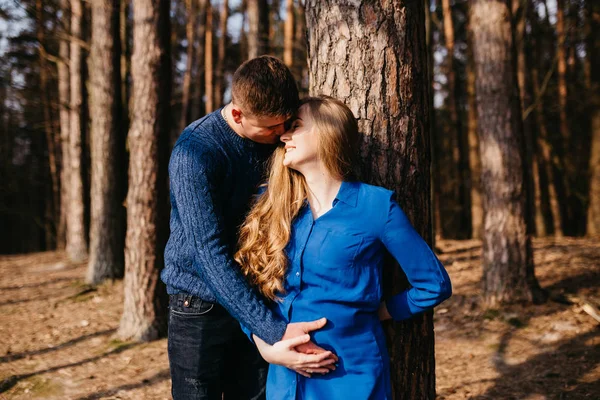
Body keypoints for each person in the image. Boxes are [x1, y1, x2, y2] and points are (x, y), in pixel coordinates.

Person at [235, 96, 452, 399]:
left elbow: (434, 284)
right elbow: (246, 293)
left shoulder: (376, 206)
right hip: (285, 381)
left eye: (295, 127)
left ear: (327, 133)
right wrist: (269, 350)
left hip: (352, 378)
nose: (283, 136)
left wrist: (378, 313)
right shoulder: (275, 207)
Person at [161, 57, 337, 400]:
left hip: (260, 292)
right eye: (271, 127)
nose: (281, 134)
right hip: (198, 302)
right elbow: (208, 254)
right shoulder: (195, 152)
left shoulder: (278, 136)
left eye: (286, 123)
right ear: (238, 114)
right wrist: (273, 330)